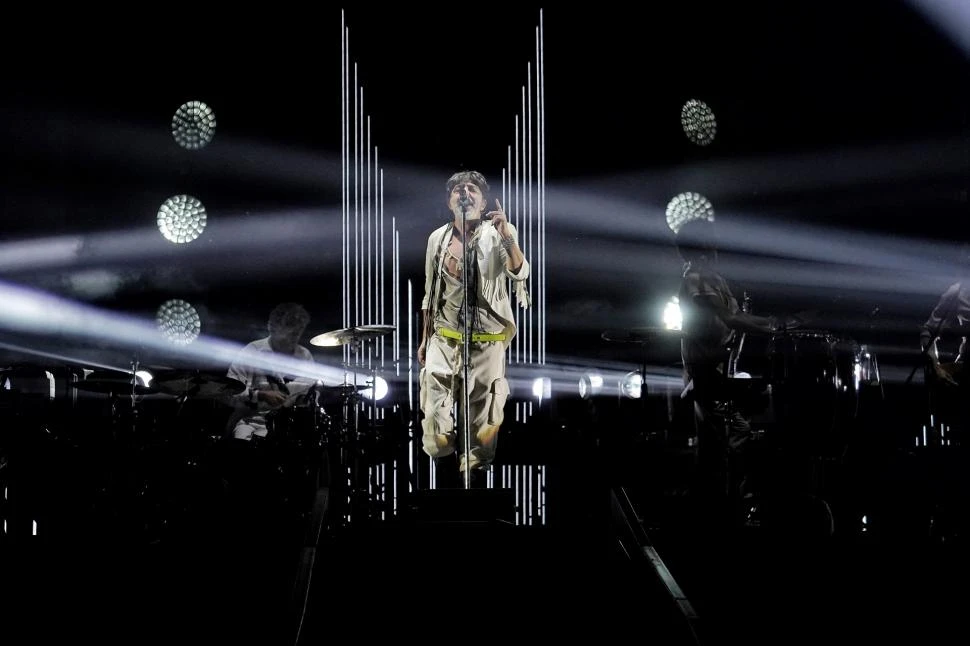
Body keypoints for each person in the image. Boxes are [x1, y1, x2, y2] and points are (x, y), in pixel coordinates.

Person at [418, 170, 530, 479]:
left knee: (482, 435)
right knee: (435, 431)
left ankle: (475, 491)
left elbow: (519, 273)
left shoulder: (498, 233)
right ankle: (443, 471)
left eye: (472, 189)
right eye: (458, 189)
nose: (464, 192)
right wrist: (425, 338)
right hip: (444, 339)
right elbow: (430, 292)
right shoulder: (436, 239)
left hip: (486, 342)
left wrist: (507, 236)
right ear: (449, 200)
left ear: (482, 202)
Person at [675, 218, 780, 527]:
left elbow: (737, 317)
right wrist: (773, 325)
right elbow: (728, 319)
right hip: (706, 371)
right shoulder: (695, 279)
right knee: (722, 445)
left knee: (722, 444)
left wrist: (773, 322)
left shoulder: (717, 280)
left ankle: (722, 511)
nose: (717, 244)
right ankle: (715, 516)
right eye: (711, 239)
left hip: (721, 371)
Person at [225, 302, 316, 442]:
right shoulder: (252, 351)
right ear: (272, 328)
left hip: (290, 426)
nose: (294, 337)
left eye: (298, 332)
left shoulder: (305, 356)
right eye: (290, 332)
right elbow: (229, 392)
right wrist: (260, 395)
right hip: (252, 423)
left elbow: (312, 396)